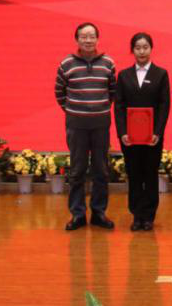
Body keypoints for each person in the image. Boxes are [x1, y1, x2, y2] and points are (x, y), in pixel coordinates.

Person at [55, 22, 117, 231]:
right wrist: (75, 112)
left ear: (97, 39)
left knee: (101, 170)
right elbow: (59, 93)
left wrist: (97, 109)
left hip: (101, 125)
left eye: (92, 36)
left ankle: (99, 213)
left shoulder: (108, 63)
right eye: (84, 36)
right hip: (76, 126)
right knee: (77, 170)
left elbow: (112, 92)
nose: (88, 40)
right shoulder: (66, 64)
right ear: (77, 39)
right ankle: (78, 214)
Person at [114, 32, 170, 231]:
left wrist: (158, 132)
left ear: (151, 49)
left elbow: (164, 105)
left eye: (145, 47)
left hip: (152, 137)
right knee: (134, 174)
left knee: (150, 174)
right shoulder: (124, 75)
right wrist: (122, 132)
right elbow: (119, 106)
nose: (142, 51)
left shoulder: (160, 74)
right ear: (132, 50)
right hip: (129, 137)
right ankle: (136, 215)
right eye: (138, 48)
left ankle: (149, 216)